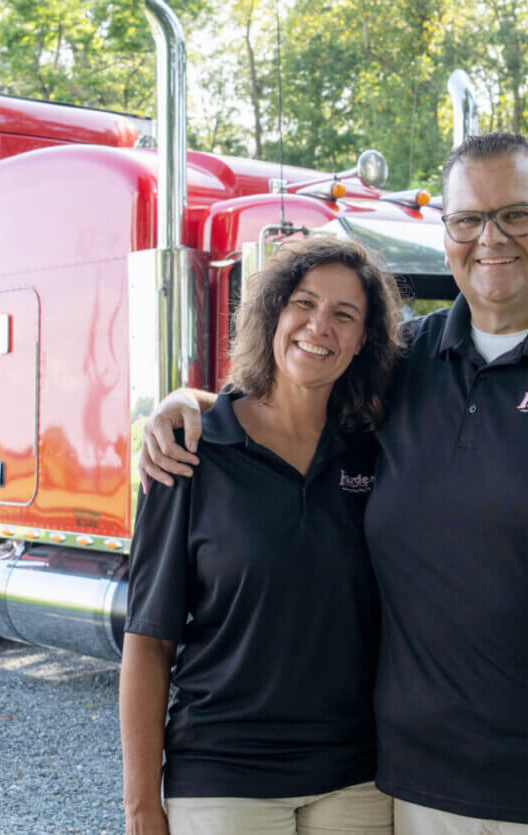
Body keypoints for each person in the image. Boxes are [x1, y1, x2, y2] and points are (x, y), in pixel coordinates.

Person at [139, 134, 528, 835]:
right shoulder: (406, 365)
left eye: (515, 215)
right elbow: (293, 392)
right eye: (467, 219)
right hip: (422, 801)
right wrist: (191, 404)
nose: (489, 238)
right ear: (445, 236)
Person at [120, 237, 403, 835]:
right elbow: (148, 643)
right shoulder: (190, 451)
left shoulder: (377, 452)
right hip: (225, 776)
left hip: (356, 776)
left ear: (362, 340)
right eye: (304, 303)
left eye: (344, 314)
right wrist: (142, 806)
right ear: (272, 312)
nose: (319, 326)